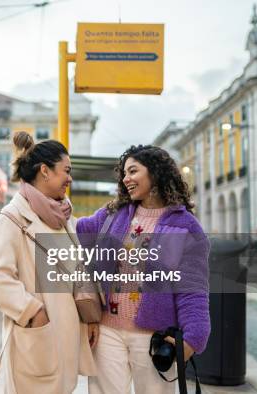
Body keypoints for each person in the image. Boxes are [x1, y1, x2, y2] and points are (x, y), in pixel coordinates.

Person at [77, 145, 210, 394]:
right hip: (107, 332)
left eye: (133, 171)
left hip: (153, 337)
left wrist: (194, 336)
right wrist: (55, 205)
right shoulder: (113, 214)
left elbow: (192, 288)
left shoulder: (186, 226)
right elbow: (77, 231)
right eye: (124, 173)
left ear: (156, 173)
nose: (126, 178)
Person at [0, 131, 97, 393]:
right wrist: (34, 314)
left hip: (67, 334)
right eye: (66, 170)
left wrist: (89, 317)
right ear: (45, 171)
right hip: (38, 335)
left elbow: (77, 269)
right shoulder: (11, 219)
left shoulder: (63, 216)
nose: (70, 178)